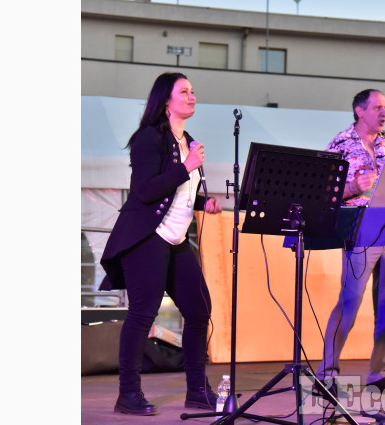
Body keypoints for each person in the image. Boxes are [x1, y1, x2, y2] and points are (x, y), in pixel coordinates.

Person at [100, 72, 222, 416]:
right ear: (165, 100)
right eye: (184, 91)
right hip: (146, 237)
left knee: (199, 312)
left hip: (177, 239)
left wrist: (202, 203)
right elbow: (145, 191)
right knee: (142, 314)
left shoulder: (189, 142)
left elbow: (179, 193)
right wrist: (186, 167)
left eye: (193, 91)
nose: (192, 96)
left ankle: (198, 391)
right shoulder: (147, 139)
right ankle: (128, 394)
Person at [317, 88, 385, 393]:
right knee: (350, 302)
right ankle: (327, 374)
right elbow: (323, 190)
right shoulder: (341, 143)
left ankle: (380, 374)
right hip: (360, 230)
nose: (384, 113)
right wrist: (352, 187)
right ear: (360, 111)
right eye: (377, 108)